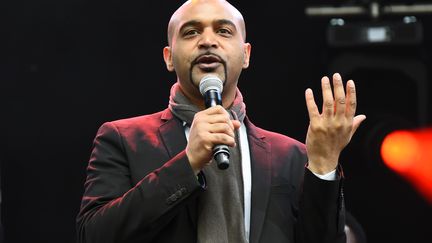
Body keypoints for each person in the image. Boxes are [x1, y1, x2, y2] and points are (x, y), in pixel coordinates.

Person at [76, 0, 366, 242]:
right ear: (168, 57)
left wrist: (324, 166)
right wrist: (187, 163)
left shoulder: (290, 155)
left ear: (246, 55)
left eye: (224, 31)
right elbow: (92, 234)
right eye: (190, 32)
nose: (207, 41)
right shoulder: (122, 138)